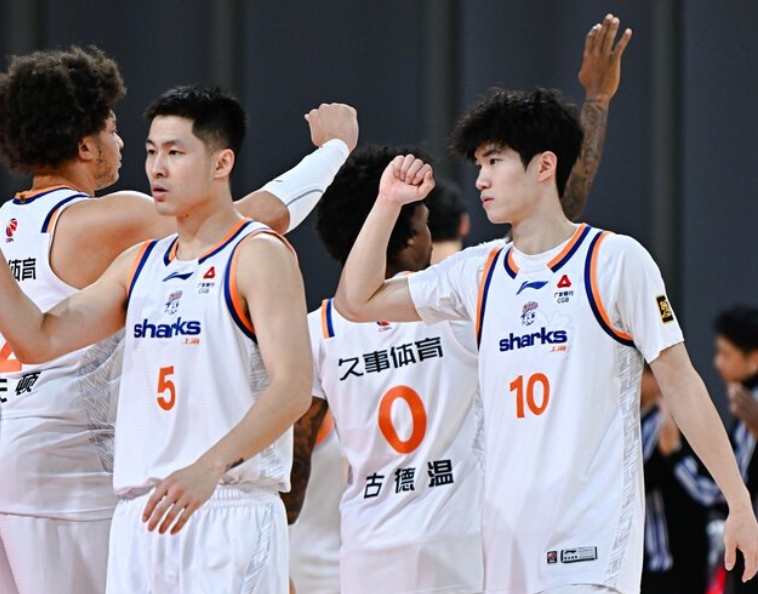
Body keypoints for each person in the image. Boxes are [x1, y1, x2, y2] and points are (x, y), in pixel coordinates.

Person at [334, 88, 758, 594]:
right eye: (478, 165)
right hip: (507, 551)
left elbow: (682, 383)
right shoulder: (478, 272)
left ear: (544, 166)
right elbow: (356, 302)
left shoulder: (615, 260)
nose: (481, 179)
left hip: (590, 549)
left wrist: (739, 501)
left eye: (495, 161)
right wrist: (387, 203)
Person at [0, 47, 357, 594]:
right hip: (76, 473)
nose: (141, 159)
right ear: (85, 144)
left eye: (170, 152)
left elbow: (34, 337)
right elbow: (250, 219)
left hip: (48, 466)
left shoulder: (14, 224)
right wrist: (333, 151)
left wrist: (212, 464)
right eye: (126, 137)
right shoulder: (126, 232)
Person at [639, 365, 712, 594]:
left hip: (674, 562)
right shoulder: (642, 417)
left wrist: (673, 453)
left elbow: (708, 491)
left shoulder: (669, 418)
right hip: (652, 563)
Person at [714, 305, 758, 594]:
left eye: (726, 354)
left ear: (754, 359)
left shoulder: (750, 403)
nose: (717, 363)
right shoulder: (744, 399)